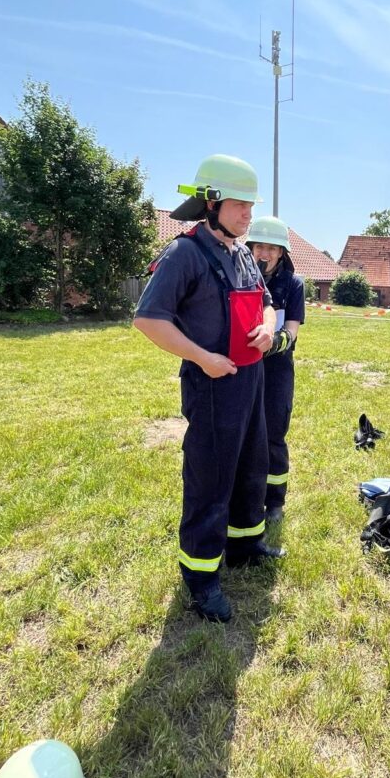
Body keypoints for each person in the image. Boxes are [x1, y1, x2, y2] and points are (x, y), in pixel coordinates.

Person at [133, 154, 284, 624]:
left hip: (251, 378)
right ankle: (202, 577)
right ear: (212, 203)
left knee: (252, 463)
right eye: (241, 206)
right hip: (213, 384)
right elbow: (147, 320)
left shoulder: (242, 252)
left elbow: (266, 304)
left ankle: (245, 543)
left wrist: (264, 327)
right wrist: (203, 358)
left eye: (251, 207)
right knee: (210, 479)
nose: (248, 216)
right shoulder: (184, 254)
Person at [246, 216, 305, 523]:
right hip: (241, 371)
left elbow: (292, 331)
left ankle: (275, 502)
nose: (264, 254)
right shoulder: (237, 280)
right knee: (243, 436)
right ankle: (245, 498)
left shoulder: (293, 285)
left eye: (272, 248)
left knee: (272, 435)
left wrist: (272, 342)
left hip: (277, 371)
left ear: (282, 252)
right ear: (250, 248)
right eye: (259, 246)